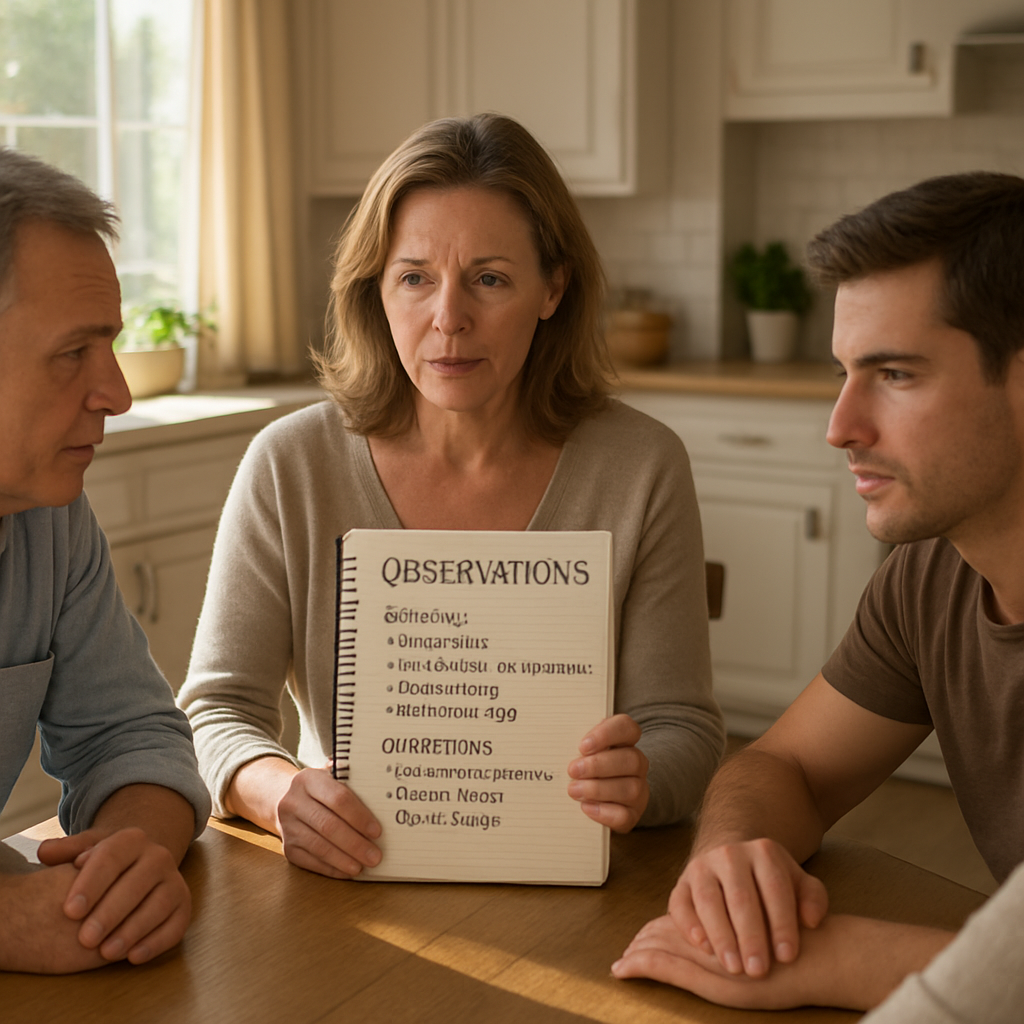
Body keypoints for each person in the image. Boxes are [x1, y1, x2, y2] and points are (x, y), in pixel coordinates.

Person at [178, 113, 724, 879]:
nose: (448, 319)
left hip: (571, 885)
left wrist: (641, 780)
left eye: (489, 279)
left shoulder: (642, 467)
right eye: (415, 278)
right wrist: (280, 795)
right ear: (376, 289)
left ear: (553, 288)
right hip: (345, 883)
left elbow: (683, 729)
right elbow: (216, 712)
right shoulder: (289, 464)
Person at [611, 170, 1024, 1016]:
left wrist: (850, 959)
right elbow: (786, 765)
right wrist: (731, 860)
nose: (839, 427)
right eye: (843, 372)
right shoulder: (930, 574)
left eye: (895, 374)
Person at [0, 148, 211, 974]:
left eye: (110, 346)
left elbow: (130, 734)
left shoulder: (48, 518)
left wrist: (129, 861)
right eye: (72, 352)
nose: (117, 394)